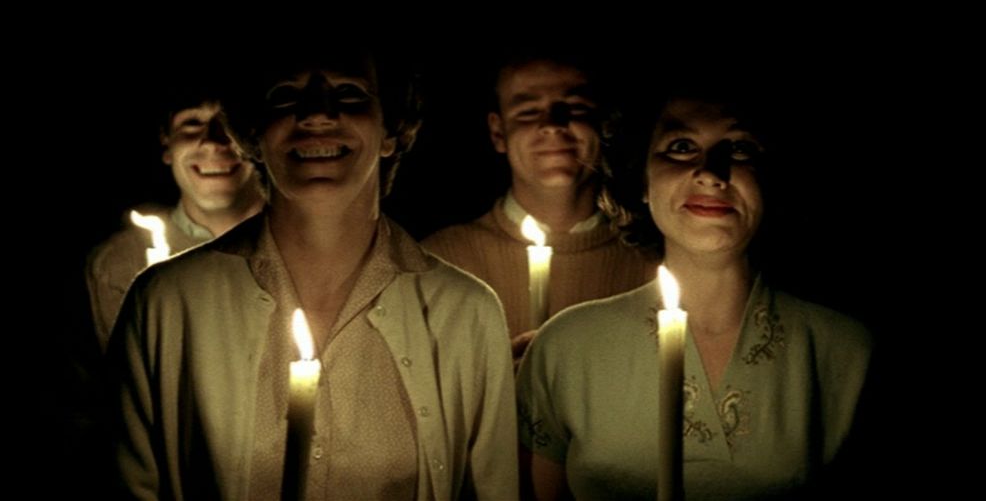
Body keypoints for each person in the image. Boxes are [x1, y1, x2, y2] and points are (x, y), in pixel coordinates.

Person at [108, 47, 518, 499]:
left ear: (390, 130)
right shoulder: (168, 303)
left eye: (349, 94)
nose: (317, 114)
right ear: (253, 134)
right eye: (286, 96)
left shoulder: (464, 313)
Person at [516, 89, 873, 499]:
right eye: (682, 147)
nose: (710, 173)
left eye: (739, 149)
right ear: (643, 178)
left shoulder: (846, 352)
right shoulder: (567, 346)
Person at [422, 51, 657, 361]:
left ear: (605, 124)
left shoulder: (653, 265)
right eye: (528, 111)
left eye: (575, 107)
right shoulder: (438, 263)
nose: (553, 125)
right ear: (498, 132)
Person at [85, 89, 264, 353]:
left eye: (229, 123)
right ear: (166, 142)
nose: (214, 141)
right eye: (192, 123)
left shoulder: (303, 246)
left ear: (256, 142)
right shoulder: (121, 262)